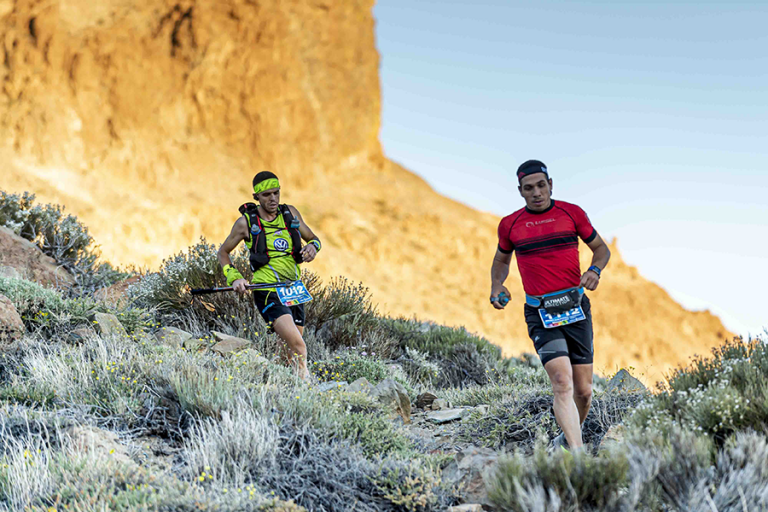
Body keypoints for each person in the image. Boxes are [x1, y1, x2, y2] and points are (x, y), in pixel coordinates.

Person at [490, 160, 611, 450]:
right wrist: (497, 285)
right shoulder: (510, 225)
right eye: (528, 188)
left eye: (541, 185)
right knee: (561, 382)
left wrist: (594, 271)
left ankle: (567, 441)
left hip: (576, 309)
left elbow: (601, 250)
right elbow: (501, 260)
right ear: (520, 191)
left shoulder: (572, 213)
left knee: (583, 391)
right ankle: (578, 456)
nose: (536, 193)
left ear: (551, 184)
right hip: (540, 313)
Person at [218, 172, 322, 380]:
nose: (273, 199)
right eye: (266, 195)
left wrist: (313, 248)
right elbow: (223, 253)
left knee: (288, 351)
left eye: (276, 193)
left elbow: (314, 238)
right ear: (256, 196)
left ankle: (273, 387)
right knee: (299, 346)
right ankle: (307, 391)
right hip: (266, 290)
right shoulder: (245, 223)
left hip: (294, 289)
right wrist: (235, 277)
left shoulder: (290, 214)